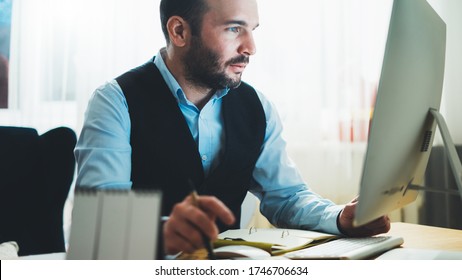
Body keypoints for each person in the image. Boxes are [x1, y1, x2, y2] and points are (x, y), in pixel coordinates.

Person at [74, 0, 390, 256]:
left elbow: (287, 197)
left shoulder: (258, 107)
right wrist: (161, 233)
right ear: (180, 31)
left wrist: (338, 218)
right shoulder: (115, 101)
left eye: (252, 30)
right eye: (234, 29)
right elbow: (101, 227)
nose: (251, 47)